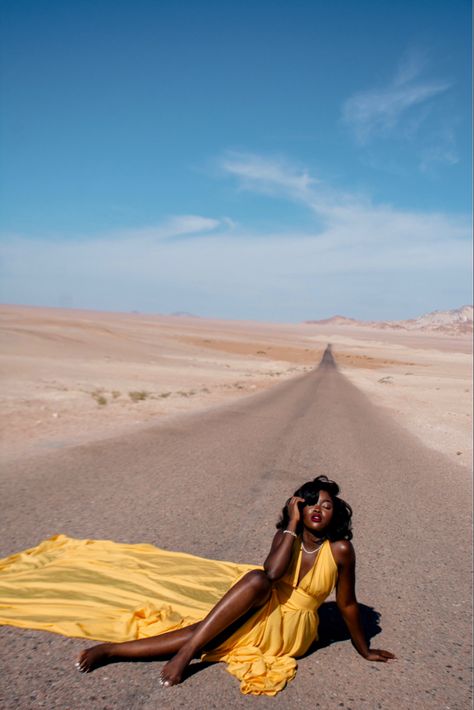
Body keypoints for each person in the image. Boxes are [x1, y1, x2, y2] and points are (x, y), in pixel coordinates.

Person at [76, 475, 395, 693]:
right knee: (254, 581)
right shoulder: (287, 537)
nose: (319, 509)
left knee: (207, 630)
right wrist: (291, 525)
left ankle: (185, 650)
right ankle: (114, 651)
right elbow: (271, 574)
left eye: (327, 505)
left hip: (292, 631)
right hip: (266, 605)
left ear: (335, 513)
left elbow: (347, 604)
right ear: (298, 507)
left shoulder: (340, 550)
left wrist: (364, 649)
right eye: (311, 503)